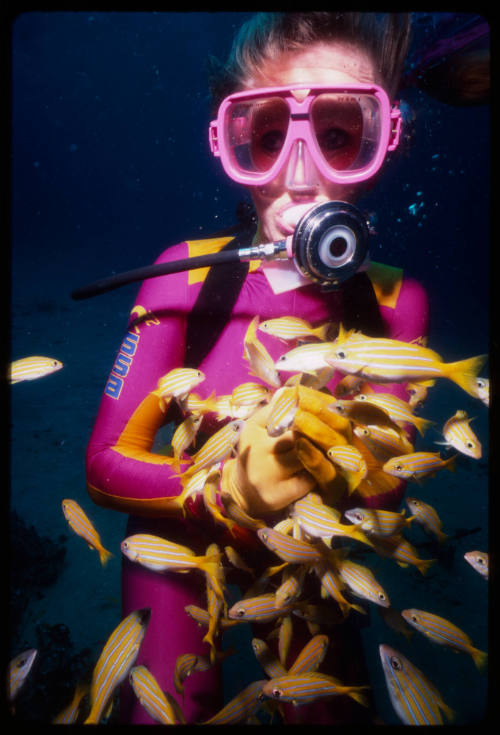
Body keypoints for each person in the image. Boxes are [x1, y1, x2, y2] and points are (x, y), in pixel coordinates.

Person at [85, 12, 429, 724]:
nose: (300, 176)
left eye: (338, 138)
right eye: (269, 139)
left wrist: (353, 477)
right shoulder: (181, 277)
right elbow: (102, 465)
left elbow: (391, 495)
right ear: (230, 144)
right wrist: (223, 495)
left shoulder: (397, 302)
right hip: (174, 557)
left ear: (383, 142)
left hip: (311, 565)